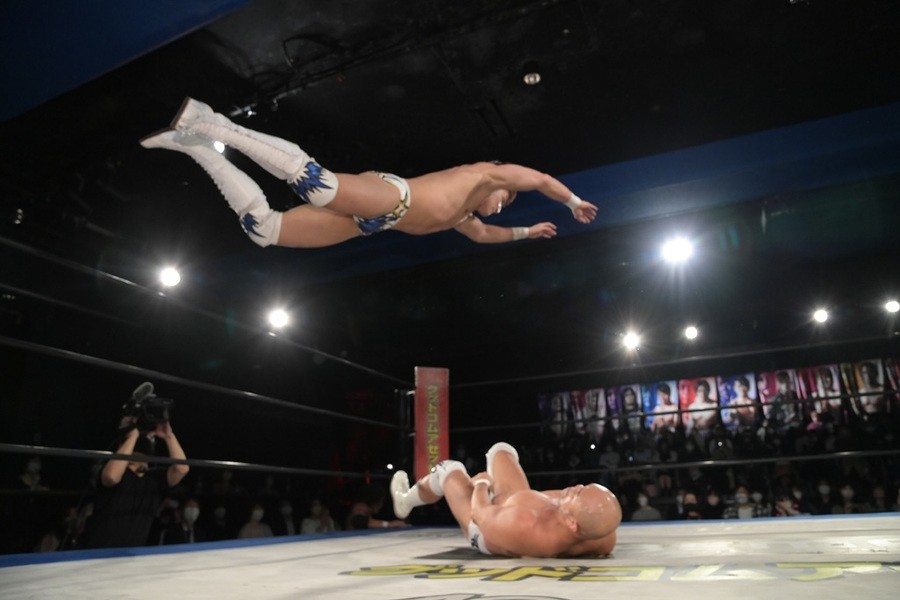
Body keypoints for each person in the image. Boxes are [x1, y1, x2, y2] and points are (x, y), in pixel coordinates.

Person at [140, 98, 598, 250]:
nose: (499, 207)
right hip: (393, 196)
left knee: (264, 231)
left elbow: (485, 237)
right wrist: (573, 202)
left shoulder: (463, 218)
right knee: (317, 183)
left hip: (370, 223)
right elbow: (539, 179)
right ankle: (213, 123)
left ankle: (196, 148)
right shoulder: (484, 175)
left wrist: (527, 231)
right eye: (505, 201)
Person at [390, 442, 621, 557]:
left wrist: (482, 484)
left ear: (572, 523)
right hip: (514, 506)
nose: (576, 487)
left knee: (449, 469)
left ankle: (405, 501)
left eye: (578, 494)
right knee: (501, 450)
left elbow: (481, 514)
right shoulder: (602, 535)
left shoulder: (527, 526)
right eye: (584, 487)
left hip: (484, 526)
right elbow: (588, 519)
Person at [84, 417, 189, 548]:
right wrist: (132, 436)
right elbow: (111, 477)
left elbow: (182, 469)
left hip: (132, 553)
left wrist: (169, 437)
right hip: (99, 551)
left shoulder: (154, 478)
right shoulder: (111, 470)